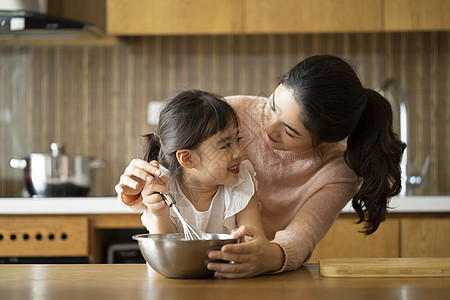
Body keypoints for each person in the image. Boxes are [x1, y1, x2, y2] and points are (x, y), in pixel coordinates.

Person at [116, 55, 406, 278]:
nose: (269, 127)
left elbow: (301, 236)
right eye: (272, 106)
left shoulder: (336, 173)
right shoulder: (233, 113)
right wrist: (139, 188)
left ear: (324, 141)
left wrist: (271, 255)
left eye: (290, 132)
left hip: (252, 275)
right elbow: (178, 160)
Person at [116, 89, 264, 236]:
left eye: (238, 140)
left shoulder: (241, 180)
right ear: (187, 158)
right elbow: (168, 254)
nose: (239, 153)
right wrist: (159, 215)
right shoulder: (160, 186)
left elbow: (252, 242)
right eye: (225, 145)